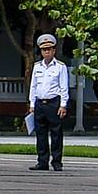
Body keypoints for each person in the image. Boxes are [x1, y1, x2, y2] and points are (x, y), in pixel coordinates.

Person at [28, 33, 70, 171]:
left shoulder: (60, 67)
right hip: (40, 103)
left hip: (53, 103)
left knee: (56, 133)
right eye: (44, 50)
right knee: (40, 133)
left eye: (49, 49)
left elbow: (64, 87)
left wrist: (63, 105)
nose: (46, 52)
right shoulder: (37, 66)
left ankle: (57, 161)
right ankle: (42, 161)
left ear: (54, 51)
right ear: (41, 51)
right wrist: (32, 104)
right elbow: (33, 86)